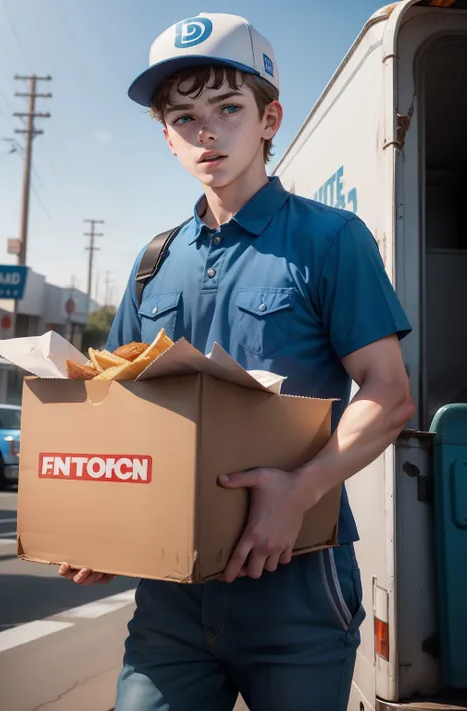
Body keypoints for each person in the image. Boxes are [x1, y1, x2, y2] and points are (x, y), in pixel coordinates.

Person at [59, 13, 415, 710]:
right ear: (166, 137)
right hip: (171, 606)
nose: (207, 132)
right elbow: (121, 407)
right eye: (185, 117)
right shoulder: (152, 262)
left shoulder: (329, 240)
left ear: (268, 118)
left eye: (228, 108)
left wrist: (301, 487)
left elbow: (388, 393)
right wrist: (101, 522)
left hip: (297, 588)